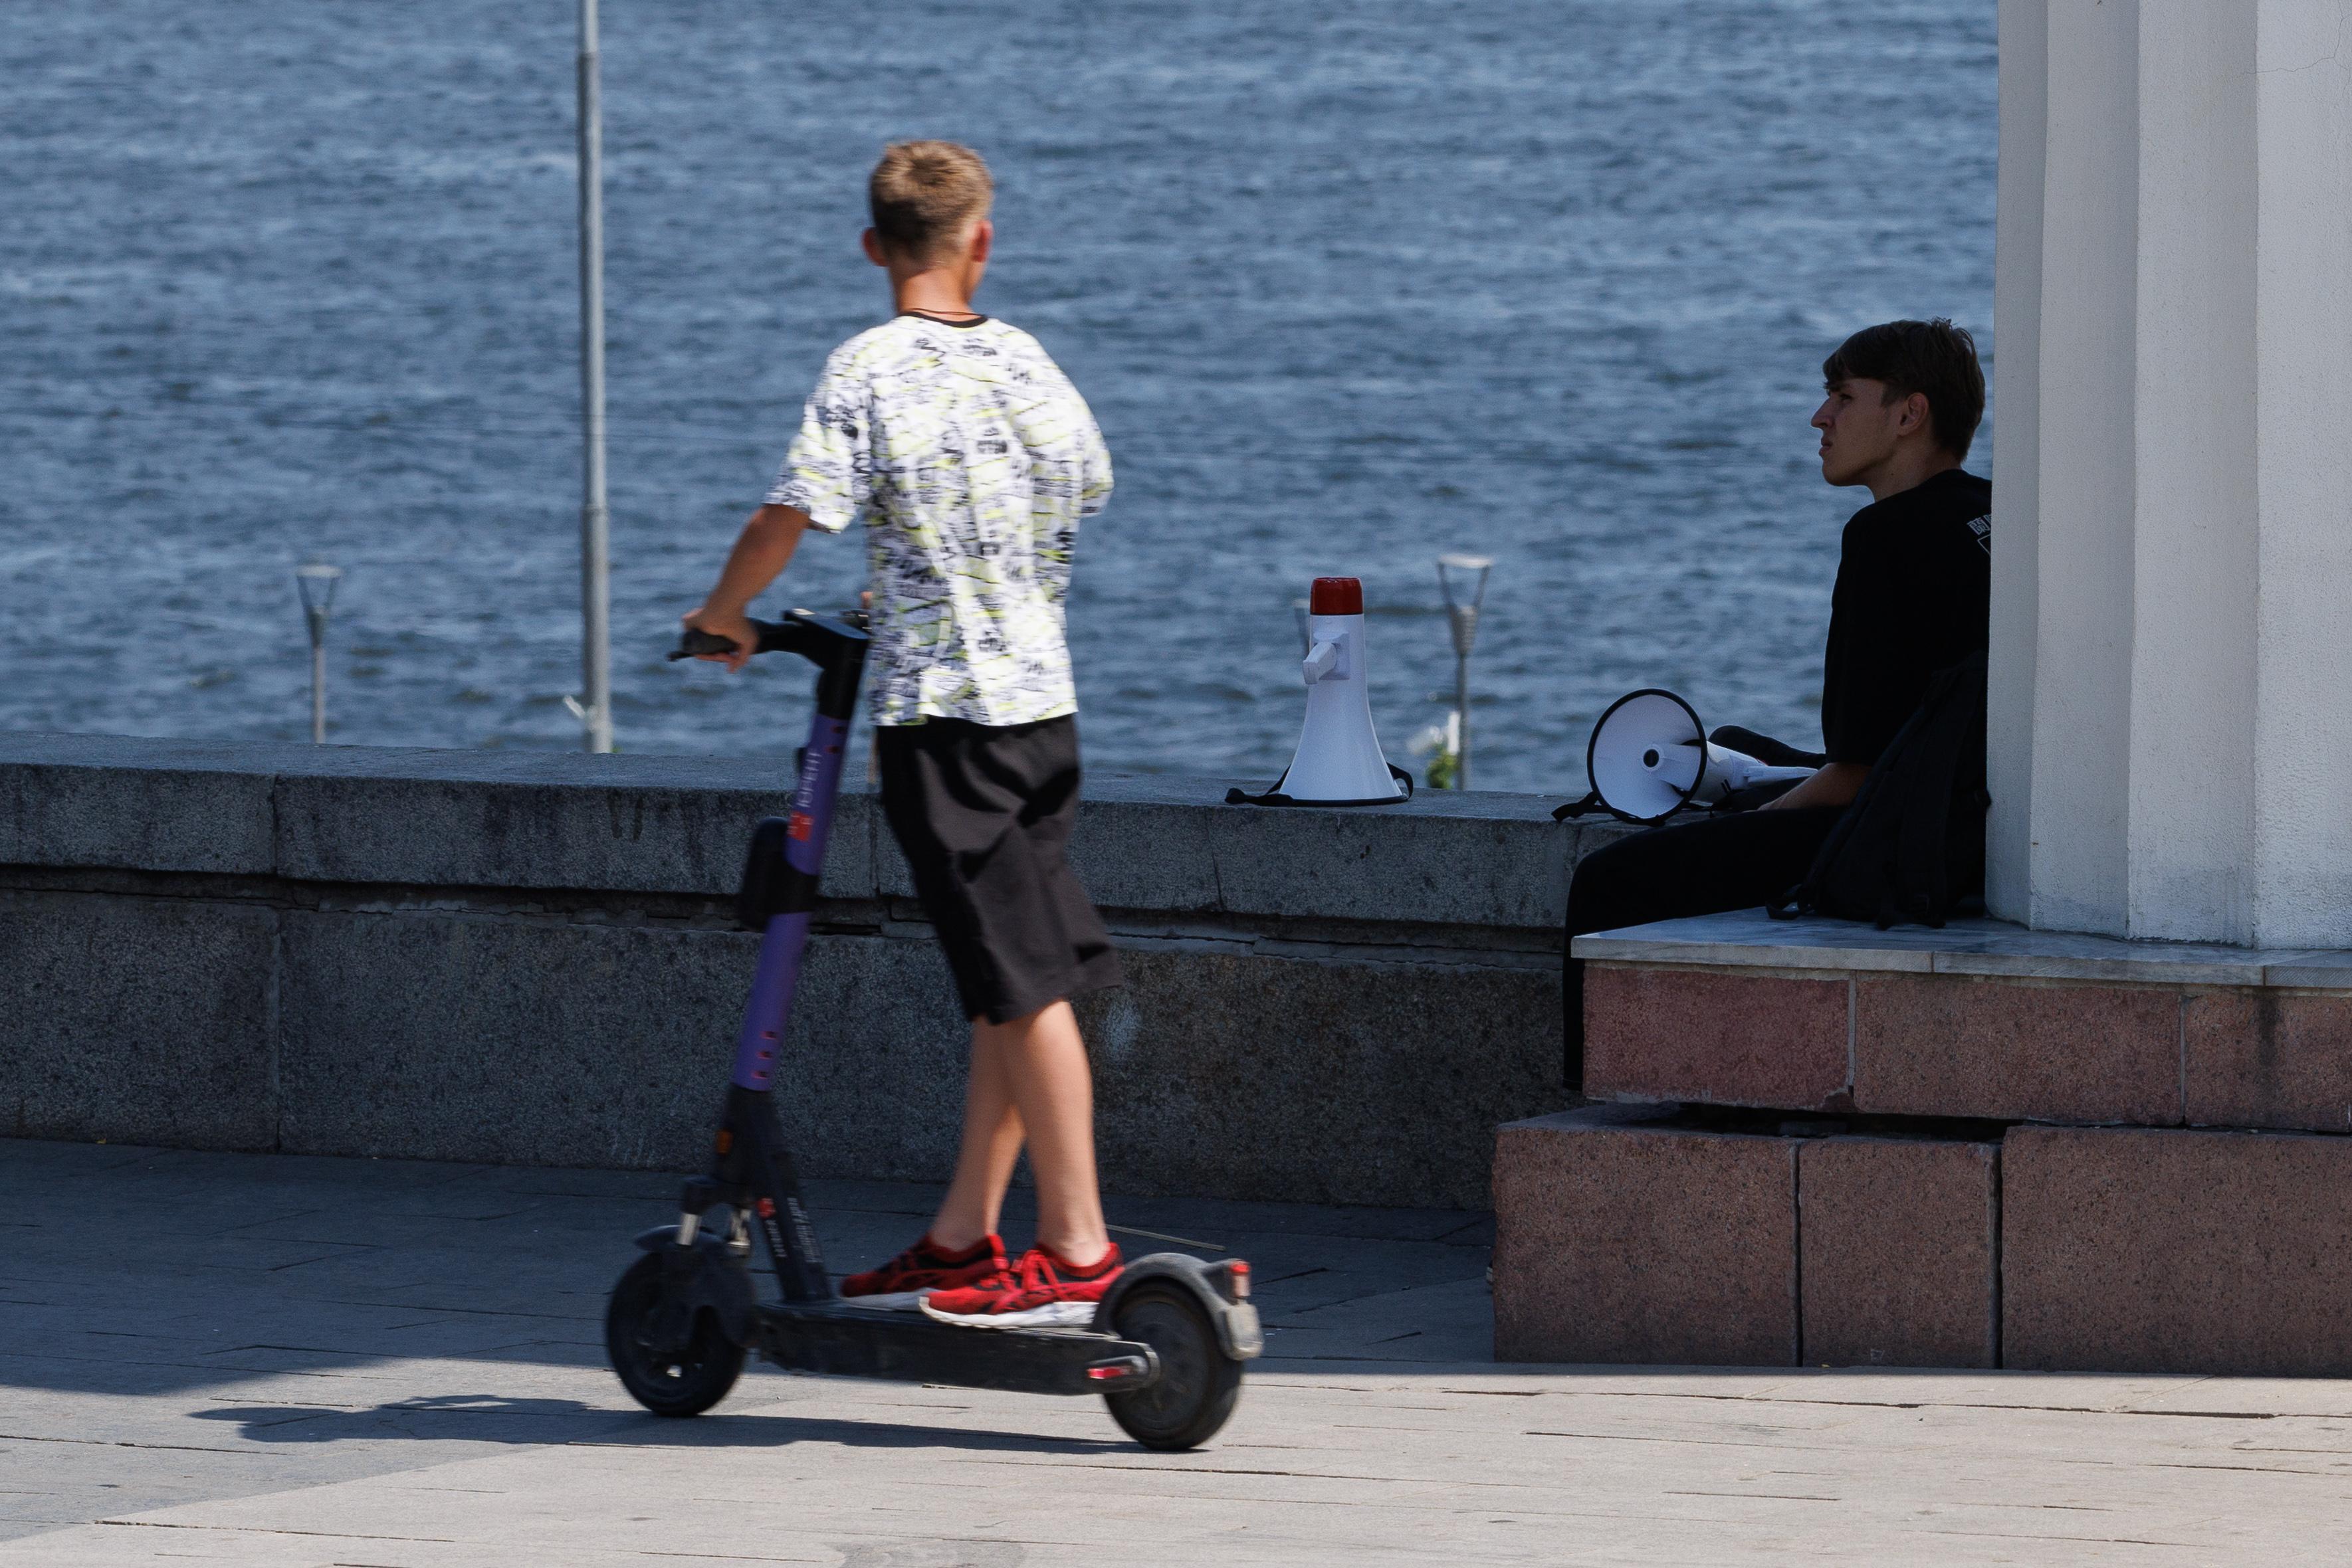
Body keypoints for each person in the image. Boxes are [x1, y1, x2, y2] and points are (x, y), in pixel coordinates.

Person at [684, 141, 1126, 1327]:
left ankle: (1077, 1246)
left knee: (1023, 987)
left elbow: (796, 510)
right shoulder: (1029, 362)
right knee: (1004, 977)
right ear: (980, 241)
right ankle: (961, 1237)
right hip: (1043, 706)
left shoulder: (867, 368)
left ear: (873, 246)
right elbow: (1085, 485)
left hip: (945, 716)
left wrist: (724, 615)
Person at [1560, 318, 1992, 1083]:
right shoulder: (1991, 514)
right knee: (1734, 742)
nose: (1818, 418)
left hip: (1908, 836)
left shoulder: (1882, 536)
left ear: (1907, 414)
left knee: (1611, 879)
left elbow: (1856, 773)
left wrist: (1760, 818)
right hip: (1960, 800)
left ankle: (1588, 1092)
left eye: (1839, 396)